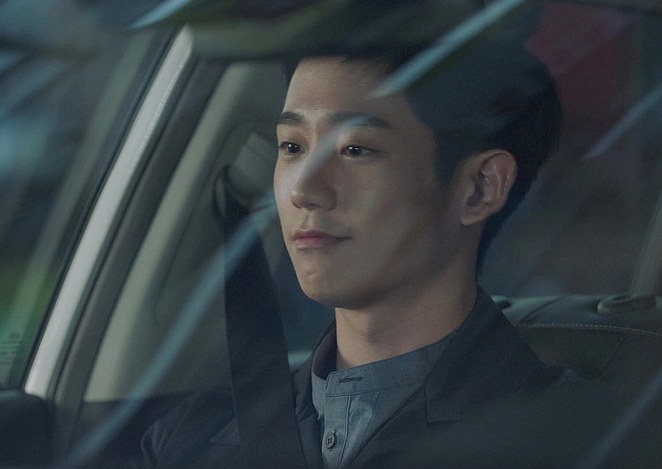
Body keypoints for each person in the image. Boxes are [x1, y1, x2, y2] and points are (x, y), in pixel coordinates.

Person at [139, 41, 566, 468]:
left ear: (480, 188)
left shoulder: (569, 441)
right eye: (292, 147)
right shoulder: (188, 440)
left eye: (355, 149)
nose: (303, 190)